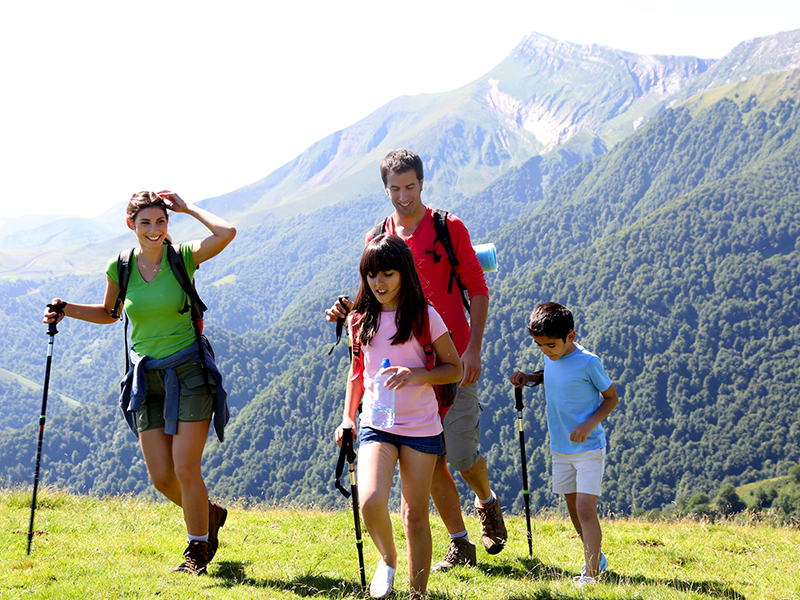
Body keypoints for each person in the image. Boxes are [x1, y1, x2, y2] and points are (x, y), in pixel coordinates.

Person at [327, 149, 506, 572]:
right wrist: (347, 308)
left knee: (460, 455)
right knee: (432, 458)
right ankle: (460, 543)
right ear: (385, 188)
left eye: (410, 186)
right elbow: (373, 293)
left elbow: (477, 289)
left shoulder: (447, 227)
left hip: (450, 358)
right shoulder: (378, 236)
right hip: (401, 372)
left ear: (422, 183)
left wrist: (473, 349)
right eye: (395, 188)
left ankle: (487, 501)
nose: (403, 196)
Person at [42, 191, 236, 575]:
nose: (153, 230)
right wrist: (67, 311)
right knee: (162, 477)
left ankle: (197, 549)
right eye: (145, 222)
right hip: (145, 378)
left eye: (160, 222)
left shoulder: (181, 257)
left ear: (168, 224)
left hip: (190, 372)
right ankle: (209, 514)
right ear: (131, 225)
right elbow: (110, 313)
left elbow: (226, 232)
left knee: (185, 467)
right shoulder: (121, 267)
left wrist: (186, 207)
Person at [335, 234, 462, 599]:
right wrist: (347, 417)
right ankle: (387, 560)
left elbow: (453, 368)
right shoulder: (359, 320)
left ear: (404, 273)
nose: (379, 282)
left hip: (421, 428)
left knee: (414, 515)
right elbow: (357, 373)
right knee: (370, 500)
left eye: (388, 273)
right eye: (372, 274)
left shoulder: (425, 316)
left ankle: (416, 594)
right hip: (376, 423)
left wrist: (417, 374)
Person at [509, 302, 619, 588]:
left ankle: (592, 575)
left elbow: (611, 398)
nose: (545, 351)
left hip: (588, 447)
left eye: (550, 345)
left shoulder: (589, 362)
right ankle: (596, 557)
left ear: (570, 336)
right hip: (560, 446)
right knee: (572, 508)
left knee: (585, 509)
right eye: (539, 346)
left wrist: (588, 424)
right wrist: (529, 378)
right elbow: (551, 375)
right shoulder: (552, 356)